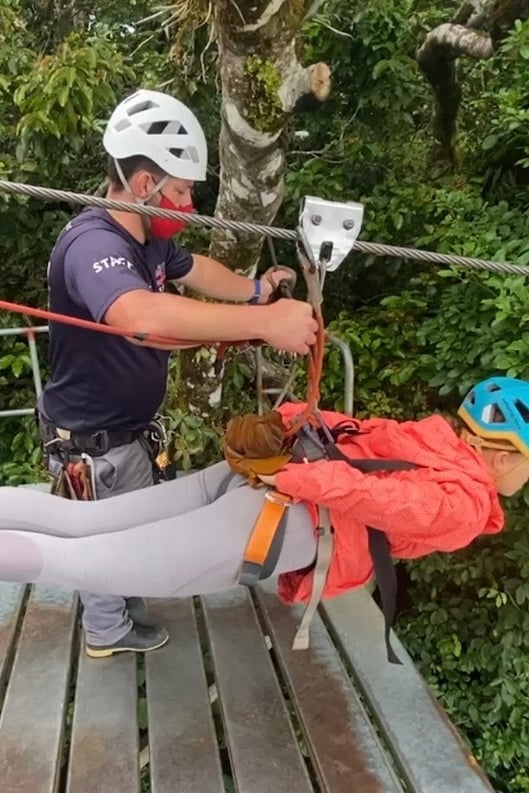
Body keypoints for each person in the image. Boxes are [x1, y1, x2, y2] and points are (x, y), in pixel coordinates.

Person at [0, 376, 529, 648]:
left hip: (252, 488)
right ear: (502, 453)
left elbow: (342, 432)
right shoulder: (467, 502)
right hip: (277, 519)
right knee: (83, 559)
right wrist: (303, 475)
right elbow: (376, 495)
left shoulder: (430, 439)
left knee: (80, 525)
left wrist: (292, 425)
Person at [36, 87, 317, 657]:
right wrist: (261, 326)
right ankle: (106, 633)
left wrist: (257, 291)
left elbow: (199, 272)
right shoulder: (95, 245)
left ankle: (119, 602)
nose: (187, 204)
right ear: (145, 186)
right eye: (182, 191)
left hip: (128, 434)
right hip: (92, 443)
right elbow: (140, 316)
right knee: (99, 539)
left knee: (128, 535)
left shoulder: (149, 240)